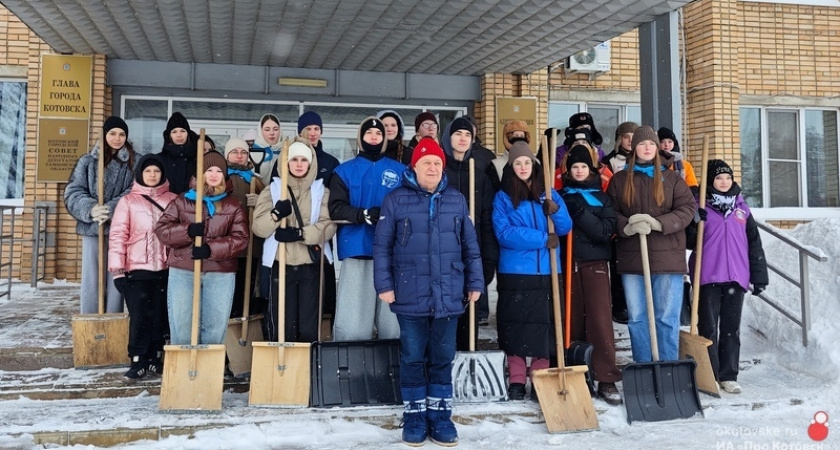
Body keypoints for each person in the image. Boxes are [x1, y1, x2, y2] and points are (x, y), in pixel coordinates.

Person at [373, 137, 484, 447]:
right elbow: (382, 247)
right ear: (415, 167)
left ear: (442, 167)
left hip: (449, 291)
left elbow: (470, 247)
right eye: (426, 163)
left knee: (442, 356)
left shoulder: (456, 200)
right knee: (411, 356)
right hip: (410, 291)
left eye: (437, 162)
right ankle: (415, 414)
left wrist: (475, 283)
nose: (432, 167)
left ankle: (440, 414)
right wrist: (384, 284)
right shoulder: (395, 200)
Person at [606, 126, 695, 363]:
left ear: (657, 148)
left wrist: (658, 223)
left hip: (669, 258)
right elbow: (610, 212)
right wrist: (626, 225)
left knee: (666, 317)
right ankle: (644, 368)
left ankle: (667, 367)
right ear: (634, 147)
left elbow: (687, 210)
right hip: (633, 258)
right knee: (637, 318)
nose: (647, 148)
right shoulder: (620, 180)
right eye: (642, 144)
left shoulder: (673, 179)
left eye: (652, 144)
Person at [492, 141, 572, 401]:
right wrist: (541, 239)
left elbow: (565, 227)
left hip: (548, 271)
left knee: (544, 327)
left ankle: (539, 375)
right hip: (516, 272)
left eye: (527, 162)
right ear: (511, 167)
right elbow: (503, 233)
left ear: (534, 165)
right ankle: (516, 377)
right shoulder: (503, 196)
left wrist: (556, 211)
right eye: (518, 163)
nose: (523, 167)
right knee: (515, 327)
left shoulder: (548, 193)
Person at [154, 151, 249, 346]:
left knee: (214, 328)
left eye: (218, 171)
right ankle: (183, 372)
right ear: (201, 173)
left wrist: (210, 249)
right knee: (182, 326)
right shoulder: (182, 201)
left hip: (219, 274)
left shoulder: (233, 205)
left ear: (224, 175)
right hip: (183, 271)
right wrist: (187, 230)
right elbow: (162, 230)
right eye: (208, 170)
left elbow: (241, 239)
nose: (213, 174)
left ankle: (209, 372)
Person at [693, 159, 768, 394]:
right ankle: (710, 375)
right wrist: (696, 223)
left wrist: (759, 277)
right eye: (718, 178)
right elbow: (687, 241)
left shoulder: (742, 209)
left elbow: (754, 244)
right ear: (710, 181)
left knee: (730, 328)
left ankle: (728, 375)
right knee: (707, 327)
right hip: (707, 275)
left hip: (736, 276)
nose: (724, 182)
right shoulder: (699, 207)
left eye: (727, 177)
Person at [329, 117, 405, 341]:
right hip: (357, 247)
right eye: (369, 133)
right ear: (361, 137)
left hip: (392, 252)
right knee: (354, 321)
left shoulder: (400, 171)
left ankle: (393, 362)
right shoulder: (343, 171)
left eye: (378, 134)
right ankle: (350, 362)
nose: (374, 137)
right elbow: (336, 208)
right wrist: (361, 214)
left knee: (393, 320)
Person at [252, 141, 336, 343]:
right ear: (286, 163)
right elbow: (258, 228)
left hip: (311, 266)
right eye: (294, 160)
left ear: (310, 164)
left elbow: (329, 226)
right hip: (280, 265)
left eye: (304, 160)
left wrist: (300, 234)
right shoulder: (273, 190)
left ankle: (305, 367)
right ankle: (282, 369)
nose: (299, 164)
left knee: (309, 324)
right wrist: (274, 215)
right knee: (282, 323)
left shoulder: (320, 191)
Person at [559, 145, 622, 405]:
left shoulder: (603, 197)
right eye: (575, 167)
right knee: (570, 321)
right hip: (568, 263)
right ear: (569, 171)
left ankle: (606, 376)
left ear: (591, 169)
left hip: (595, 264)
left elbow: (605, 231)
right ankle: (574, 372)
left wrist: (581, 213)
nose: (579, 170)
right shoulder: (560, 196)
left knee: (599, 319)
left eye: (584, 166)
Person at [108, 154, 177, 379]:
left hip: (166, 269)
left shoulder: (173, 200)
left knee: (159, 315)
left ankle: (156, 357)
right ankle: (137, 359)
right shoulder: (128, 202)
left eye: (156, 171)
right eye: (148, 171)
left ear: (162, 174)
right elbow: (118, 235)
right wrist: (117, 270)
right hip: (136, 269)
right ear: (140, 174)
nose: (152, 175)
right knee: (139, 316)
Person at [64, 116, 135, 314]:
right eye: (112, 133)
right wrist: (91, 208)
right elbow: (74, 191)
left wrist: (111, 209)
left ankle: (113, 318)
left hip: (118, 228)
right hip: (92, 228)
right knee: (92, 277)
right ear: (104, 135)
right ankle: (90, 319)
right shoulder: (87, 162)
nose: (117, 138)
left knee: (116, 274)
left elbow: (133, 190)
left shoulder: (132, 162)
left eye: (121, 134)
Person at [440, 117, 499, 348]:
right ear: (448, 138)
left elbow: (487, 221)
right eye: (458, 134)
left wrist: (488, 260)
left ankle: (465, 360)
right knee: (445, 317)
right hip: (443, 254)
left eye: (467, 135)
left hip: (471, 254)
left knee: (469, 315)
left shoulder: (480, 175)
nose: (463, 139)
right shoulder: (439, 172)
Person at [298, 111, 340, 329]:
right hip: (295, 229)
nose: (312, 133)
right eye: (308, 129)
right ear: (300, 132)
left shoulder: (330, 162)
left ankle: (324, 325)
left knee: (323, 279)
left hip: (322, 231)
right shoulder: (290, 160)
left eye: (316, 129)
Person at [224, 137, 266, 318]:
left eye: (243, 152)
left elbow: (269, 207)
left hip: (250, 245)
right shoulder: (220, 178)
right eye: (234, 152)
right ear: (227, 155)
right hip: (227, 244)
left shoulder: (256, 181)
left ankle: (243, 321)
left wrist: (260, 202)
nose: (239, 156)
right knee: (227, 289)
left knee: (246, 288)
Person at [601, 121, 638, 324]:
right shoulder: (611, 161)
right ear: (619, 139)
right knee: (618, 266)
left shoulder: (644, 160)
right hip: (618, 217)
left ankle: (635, 305)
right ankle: (619, 305)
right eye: (626, 136)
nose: (630, 141)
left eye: (634, 136)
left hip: (640, 217)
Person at [158, 112, 199, 195]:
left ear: (188, 134)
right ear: (169, 135)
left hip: (192, 205)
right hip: (166, 206)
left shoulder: (198, 159)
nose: (179, 135)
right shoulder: (159, 160)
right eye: (174, 132)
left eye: (183, 131)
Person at [487, 119, 530, 192]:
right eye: (516, 135)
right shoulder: (495, 165)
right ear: (507, 137)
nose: (519, 139)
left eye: (522, 136)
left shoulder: (535, 163)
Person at [252, 113, 284, 185]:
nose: (272, 133)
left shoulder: (287, 152)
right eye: (267, 129)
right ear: (260, 131)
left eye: (275, 129)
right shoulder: (252, 154)